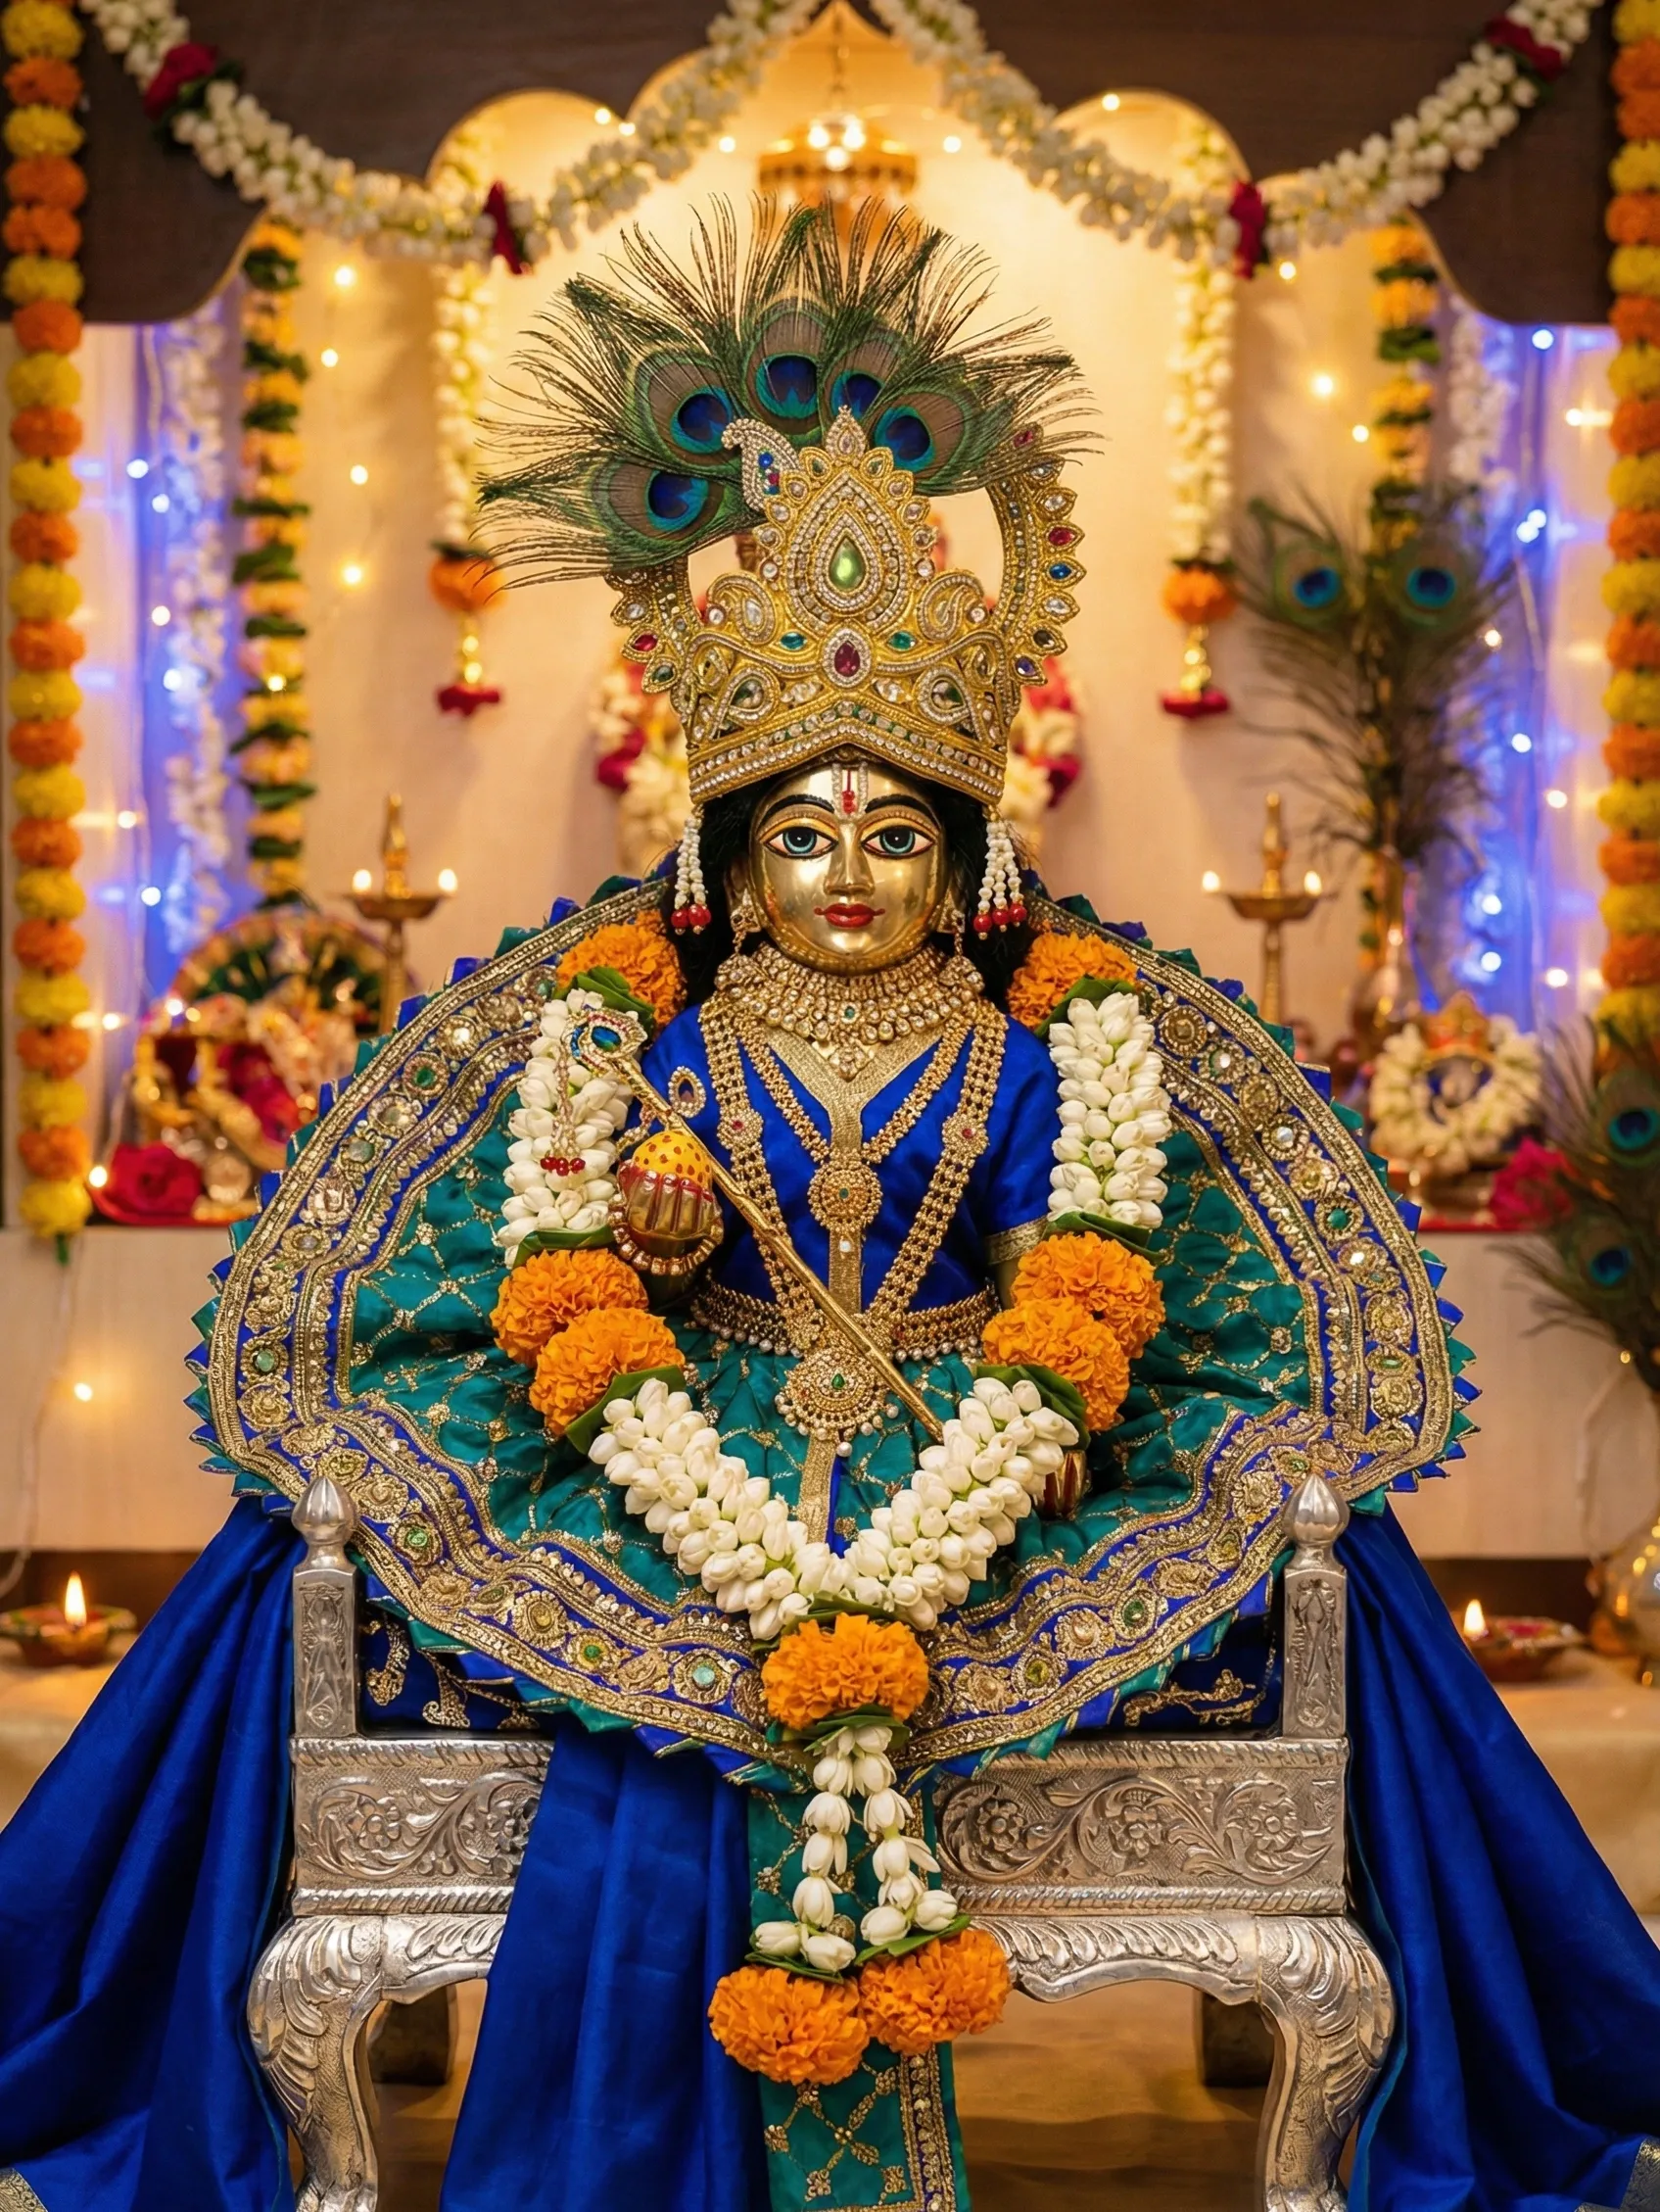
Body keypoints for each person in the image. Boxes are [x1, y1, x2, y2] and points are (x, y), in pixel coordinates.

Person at [3, 202, 1659, 2212]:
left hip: (999, 1458)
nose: (851, 871)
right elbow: (546, 1265)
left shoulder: (1056, 1047)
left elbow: (1106, 1267)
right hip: (678, 1452)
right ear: (726, 858)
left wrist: (1054, 1412)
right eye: (801, 833)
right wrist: (636, 1236)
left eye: (893, 832)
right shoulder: (644, 1037)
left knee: (1351, 1567)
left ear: (964, 856)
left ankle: (1486, 2068)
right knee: (294, 1555)